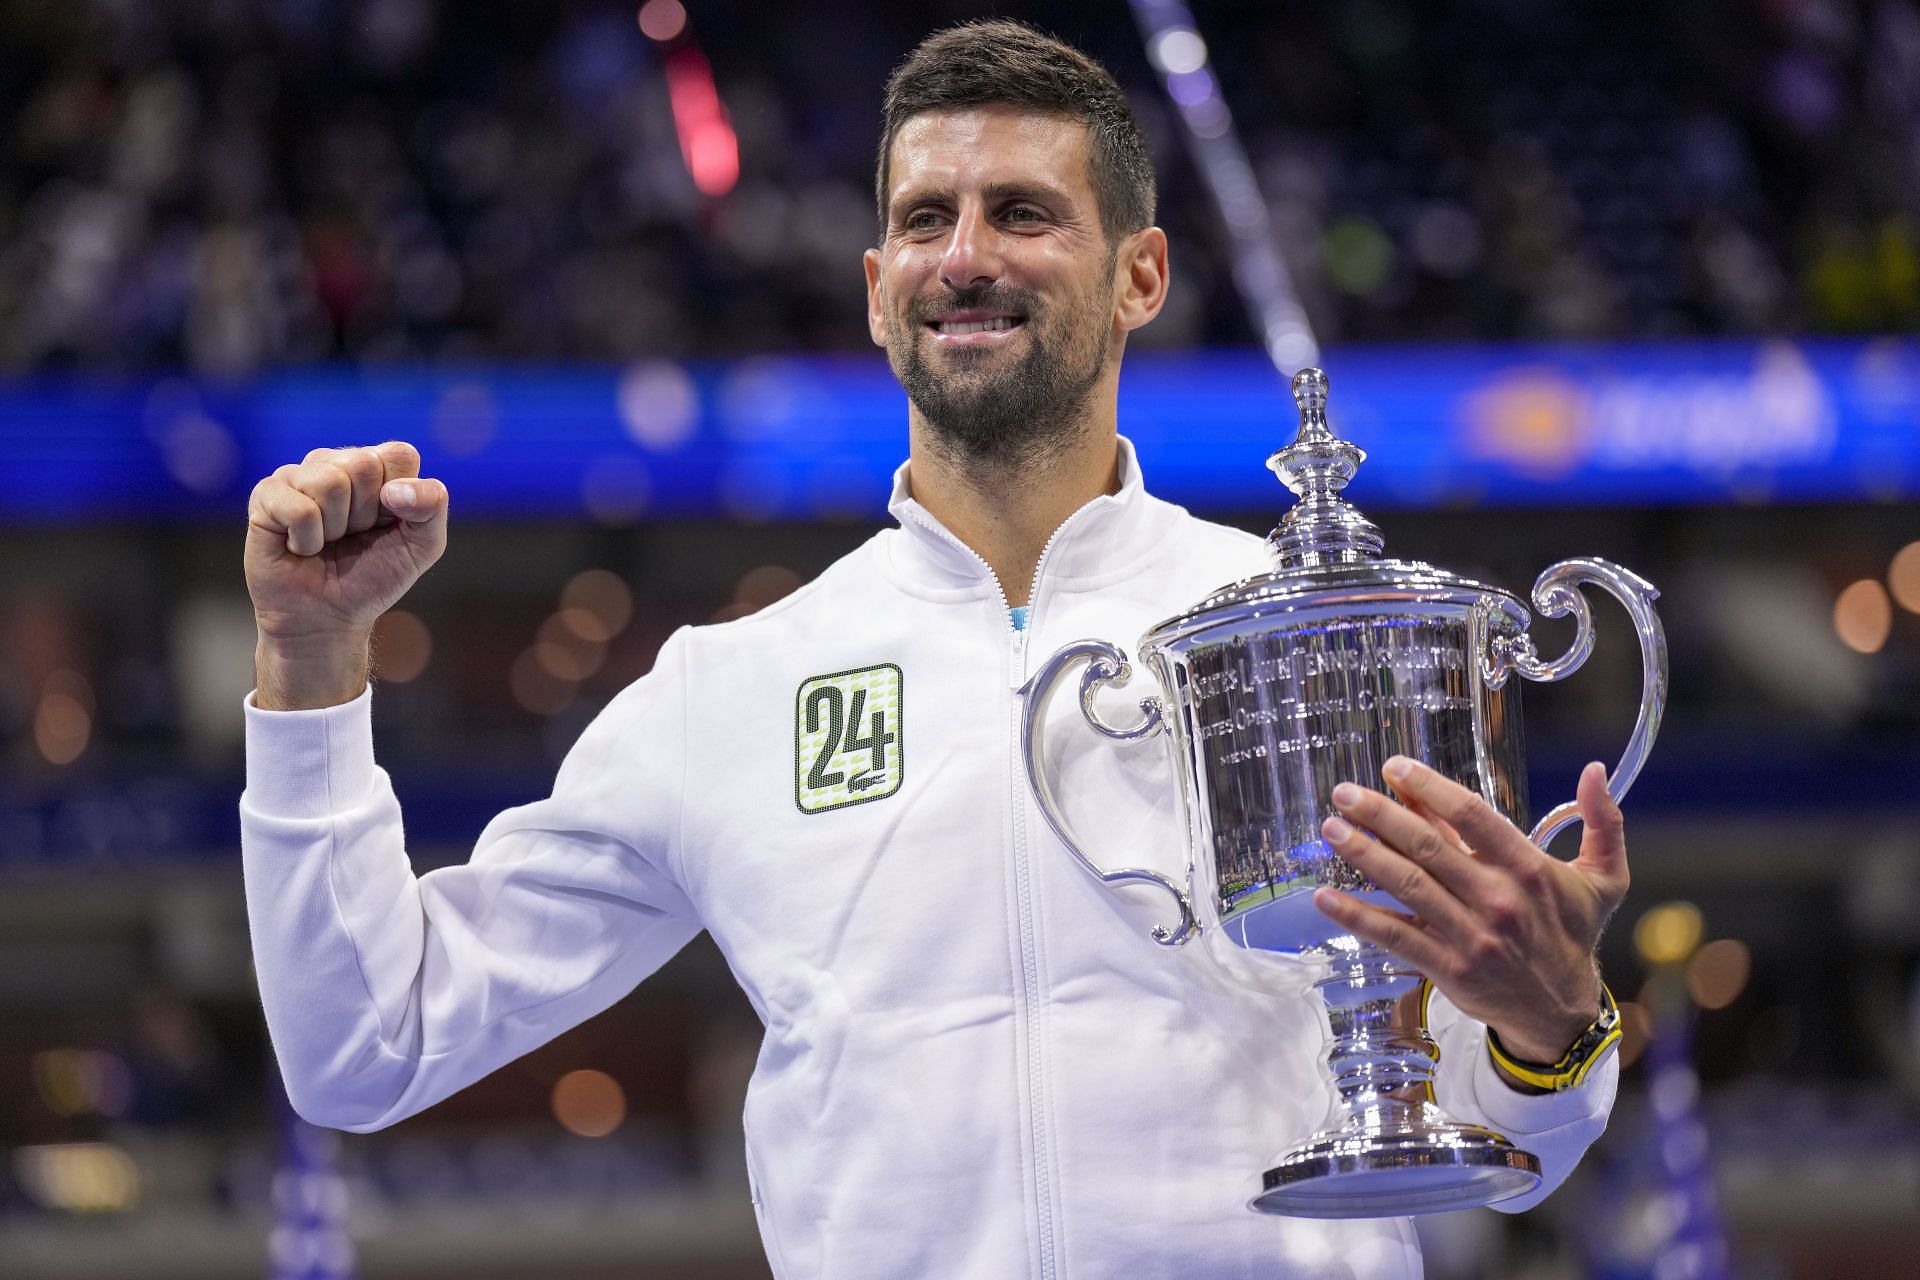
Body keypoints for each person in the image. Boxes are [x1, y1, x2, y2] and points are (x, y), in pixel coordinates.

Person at [240, 21, 1628, 1279]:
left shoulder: (1300, 627)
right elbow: (367, 1043)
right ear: (874, 285)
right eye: (926, 220)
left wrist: (1550, 1026)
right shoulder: (734, 689)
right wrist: (310, 664)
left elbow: (1510, 1142)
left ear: (1142, 273)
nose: (965, 257)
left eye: (1022, 213)